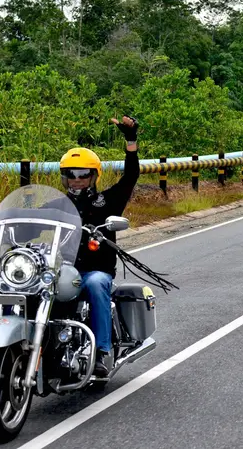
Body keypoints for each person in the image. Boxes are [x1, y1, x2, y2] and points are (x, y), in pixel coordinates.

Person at [58, 115, 140, 377]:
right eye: (70, 174)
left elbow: (131, 176)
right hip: (61, 272)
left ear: (94, 176)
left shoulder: (107, 201)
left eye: (83, 174)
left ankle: (102, 351)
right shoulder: (57, 204)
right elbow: (31, 222)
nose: (76, 180)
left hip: (95, 271)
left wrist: (131, 139)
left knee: (94, 284)